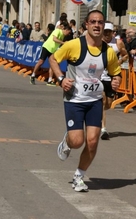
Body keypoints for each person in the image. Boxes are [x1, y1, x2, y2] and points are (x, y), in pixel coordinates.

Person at [49, 10, 121, 192]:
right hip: (74, 99)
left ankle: (79, 176)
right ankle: (67, 141)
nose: (97, 25)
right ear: (86, 25)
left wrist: (116, 81)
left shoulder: (108, 51)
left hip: (95, 100)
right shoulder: (74, 45)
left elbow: (116, 73)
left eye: (100, 22)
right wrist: (60, 79)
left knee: (93, 141)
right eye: (93, 22)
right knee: (77, 141)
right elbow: (53, 58)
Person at [100, 22, 128, 140]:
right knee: (102, 102)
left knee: (109, 104)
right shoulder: (97, 42)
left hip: (112, 76)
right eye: (104, 31)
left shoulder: (118, 43)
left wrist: (119, 62)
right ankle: (103, 129)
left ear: (113, 32)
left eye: (108, 31)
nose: (106, 34)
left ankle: (97, 116)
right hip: (99, 76)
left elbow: (125, 55)